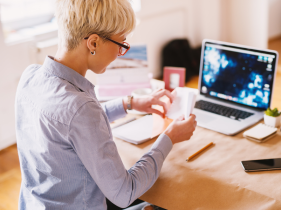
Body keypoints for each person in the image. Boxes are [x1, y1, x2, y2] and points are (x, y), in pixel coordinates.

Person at [15, 0, 197, 209]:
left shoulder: (30, 77)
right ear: (93, 43)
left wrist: (130, 103)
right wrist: (169, 138)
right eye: (121, 44)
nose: (122, 53)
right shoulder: (81, 108)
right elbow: (124, 192)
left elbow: (73, 125)